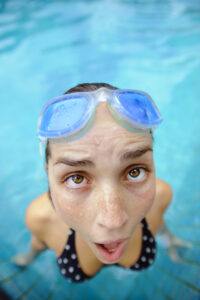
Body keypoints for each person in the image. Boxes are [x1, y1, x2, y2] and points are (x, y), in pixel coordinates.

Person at [11, 83, 192, 283]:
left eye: (135, 172)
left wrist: (169, 239)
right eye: (76, 178)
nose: (113, 221)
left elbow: (159, 222)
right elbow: (38, 243)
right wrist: (30, 257)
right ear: (48, 172)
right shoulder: (40, 218)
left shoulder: (160, 195)